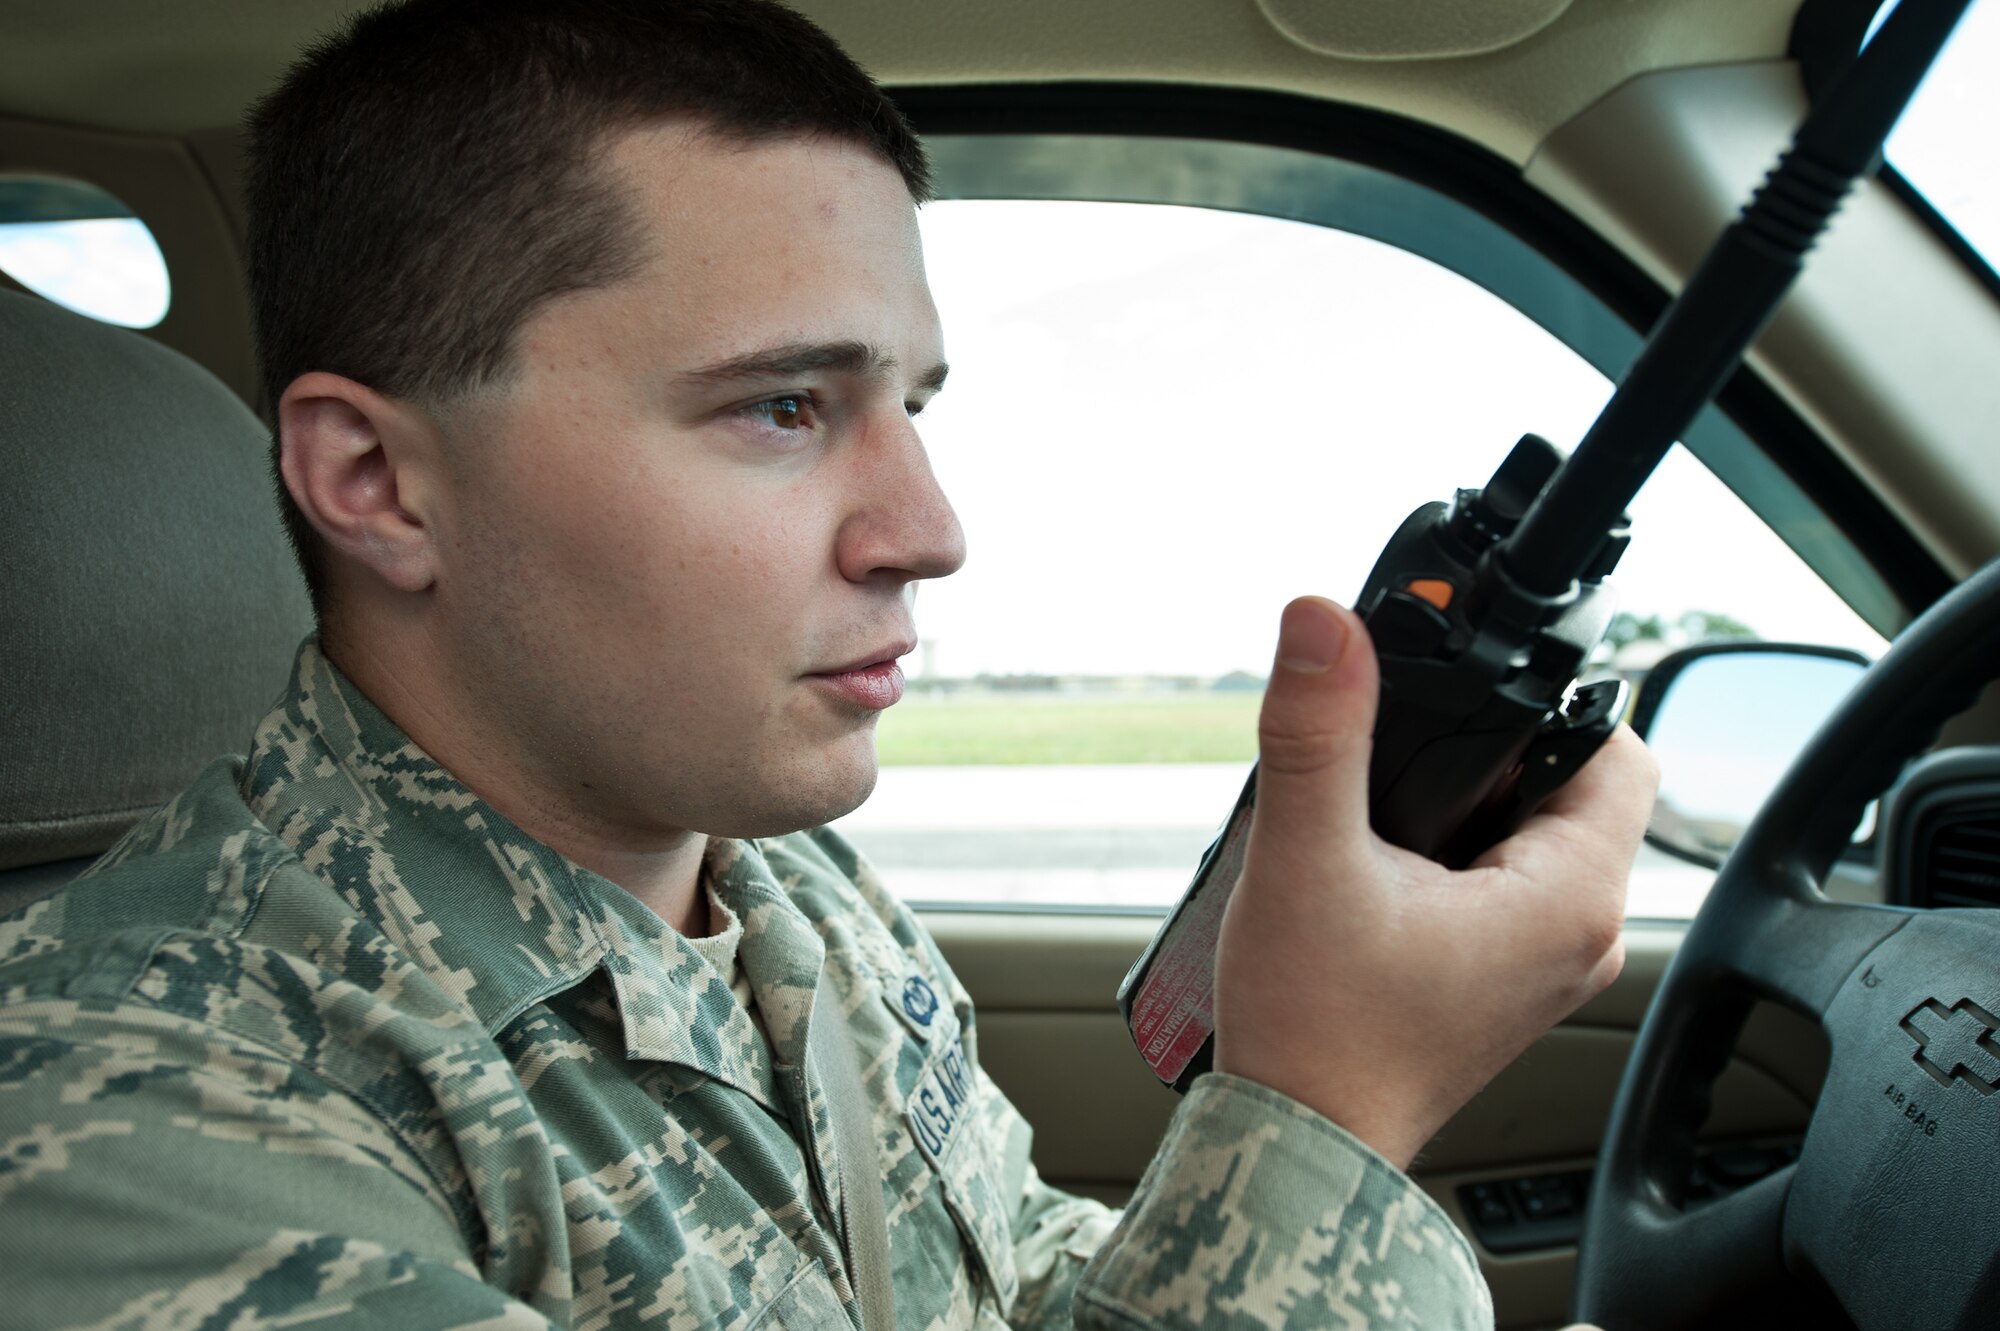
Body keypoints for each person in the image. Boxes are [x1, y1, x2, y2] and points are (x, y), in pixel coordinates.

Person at [0, 1, 1655, 1327]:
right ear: (377, 484)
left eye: (909, 407)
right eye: (782, 407)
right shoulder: (143, 1136)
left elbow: (1017, 1292)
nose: (928, 529)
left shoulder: (791, 892)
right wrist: (1332, 1114)